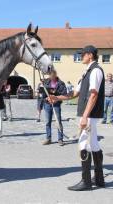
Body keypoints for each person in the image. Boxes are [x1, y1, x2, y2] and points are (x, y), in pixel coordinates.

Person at [48, 45, 105, 191]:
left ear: (90, 55)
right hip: (88, 114)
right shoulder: (86, 72)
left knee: (83, 144)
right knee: (94, 144)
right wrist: (56, 97)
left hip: (90, 114)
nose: (81, 56)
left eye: (83, 54)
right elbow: (74, 93)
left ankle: (86, 182)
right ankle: (99, 179)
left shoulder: (96, 71)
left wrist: (85, 116)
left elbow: (93, 94)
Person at [42, 70, 67, 146]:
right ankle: (48, 138)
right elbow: (43, 94)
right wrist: (46, 98)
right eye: (50, 76)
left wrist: (56, 98)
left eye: (52, 76)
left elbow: (64, 94)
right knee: (47, 122)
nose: (51, 77)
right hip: (47, 104)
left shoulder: (61, 83)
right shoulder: (46, 82)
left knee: (58, 121)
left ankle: (60, 139)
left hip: (56, 104)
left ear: (55, 75)